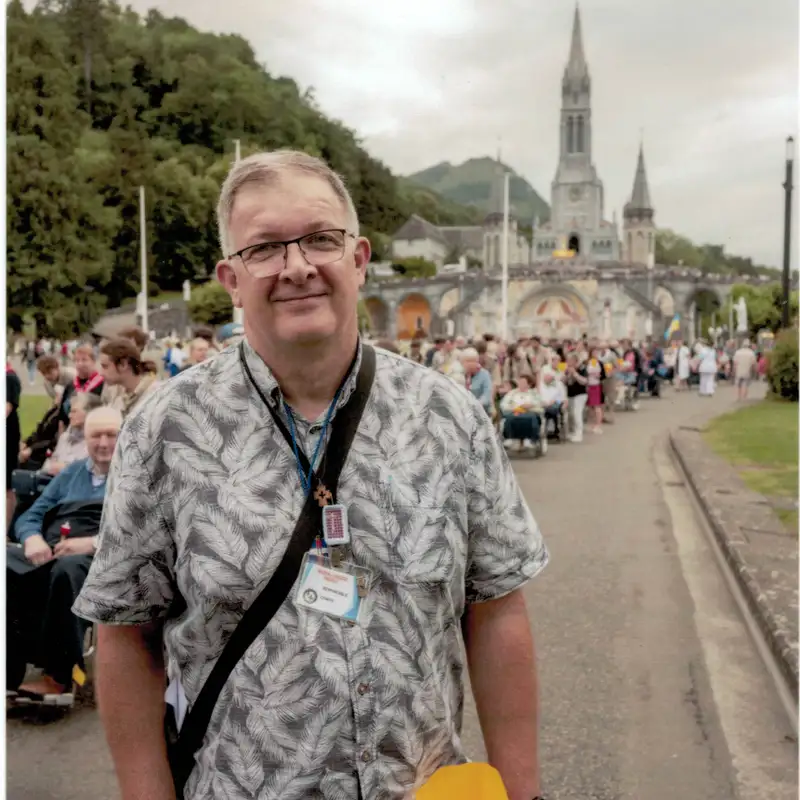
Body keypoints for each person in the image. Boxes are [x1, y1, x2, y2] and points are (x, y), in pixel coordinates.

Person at [74, 149, 548, 800]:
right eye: (264, 248)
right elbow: (126, 635)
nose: (297, 266)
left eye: (321, 239)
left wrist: (522, 793)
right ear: (231, 279)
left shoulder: (450, 417)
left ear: (358, 260)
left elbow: (495, 613)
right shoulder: (165, 431)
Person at [7, 407, 122, 699]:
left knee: (67, 570)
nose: (104, 443)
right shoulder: (72, 473)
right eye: (97, 435)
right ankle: (8, 670)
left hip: (101, 557)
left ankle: (59, 675)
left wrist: (92, 543)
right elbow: (32, 515)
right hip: (51, 549)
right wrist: (32, 539)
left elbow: (141, 531)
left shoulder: (136, 476)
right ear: (86, 438)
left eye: (112, 435)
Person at [41, 392, 102, 476]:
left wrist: (65, 468)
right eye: (70, 411)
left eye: (74, 411)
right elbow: (47, 465)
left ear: (90, 413)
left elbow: (89, 473)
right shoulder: (64, 437)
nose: (69, 415)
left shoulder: (98, 442)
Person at [99, 338, 160, 418]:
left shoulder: (157, 395)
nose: (101, 373)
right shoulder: (116, 398)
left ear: (123, 364)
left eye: (105, 366)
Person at [57, 344, 104, 428]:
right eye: (77, 360)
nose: (80, 364)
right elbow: (62, 417)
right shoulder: (71, 385)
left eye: (84, 360)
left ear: (93, 362)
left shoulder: (102, 385)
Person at [7, 360, 22, 529]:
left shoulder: (9, 377)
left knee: (7, 484)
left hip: (8, 436)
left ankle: (6, 526)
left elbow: (7, 407)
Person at [461, 346, 494, 417]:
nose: (469, 364)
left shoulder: (484, 374)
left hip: (481, 411)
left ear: (477, 361)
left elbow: (487, 395)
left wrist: (475, 404)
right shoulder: (459, 374)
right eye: (467, 361)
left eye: (472, 361)